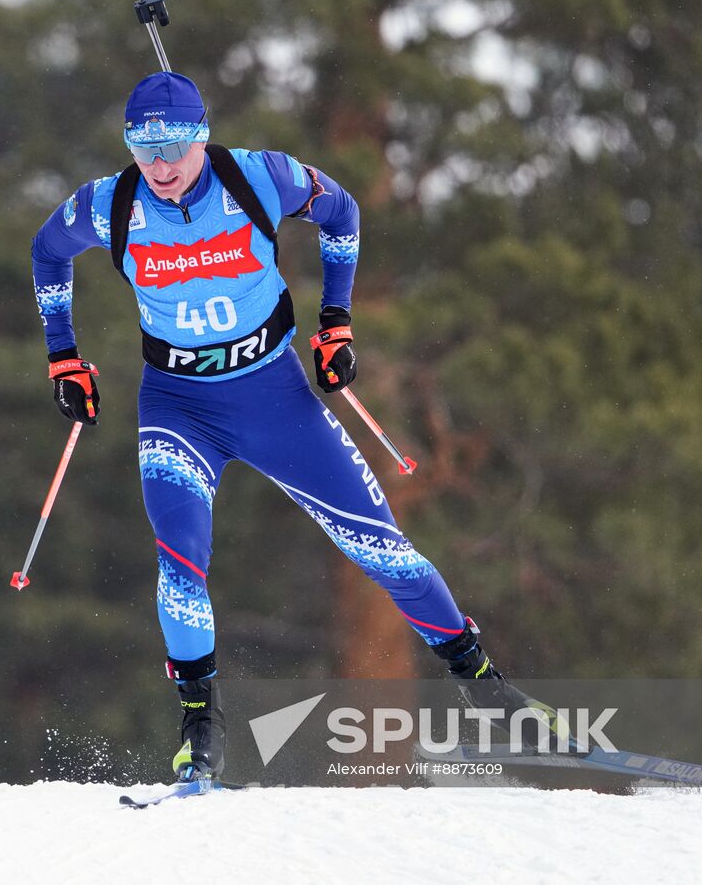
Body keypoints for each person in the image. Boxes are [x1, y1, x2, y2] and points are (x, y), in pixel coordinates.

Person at [31, 71, 544, 782]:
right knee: (181, 562)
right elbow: (47, 251)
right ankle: (197, 733)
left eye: (174, 144)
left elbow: (344, 214)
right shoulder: (110, 203)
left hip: (275, 398)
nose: (160, 164)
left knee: (385, 551)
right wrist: (64, 359)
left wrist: (337, 321)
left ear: (201, 136)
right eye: (142, 147)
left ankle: (486, 685)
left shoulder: (259, 178)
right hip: (179, 406)